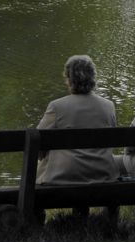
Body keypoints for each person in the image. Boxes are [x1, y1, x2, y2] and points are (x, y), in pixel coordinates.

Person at [36, 55, 120, 185]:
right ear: (93, 77)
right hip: (103, 175)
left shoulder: (57, 106)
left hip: (65, 176)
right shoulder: (108, 106)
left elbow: (38, 143)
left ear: (70, 80)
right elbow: (111, 142)